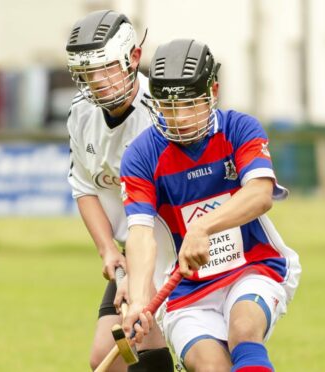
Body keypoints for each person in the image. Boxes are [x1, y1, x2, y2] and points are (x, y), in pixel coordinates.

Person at [119, 39, 302, 372]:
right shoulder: (141, 156)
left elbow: (260, 194)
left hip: (252, 267)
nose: (180, 118)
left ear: (212, 91)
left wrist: (203, 226)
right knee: (210, 367)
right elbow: (141, 234)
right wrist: (139, 301)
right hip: (185, 290)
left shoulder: (239, 129)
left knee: (245, 329)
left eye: (190, 104)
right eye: (168, 107)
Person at [65, 10, 175, 372]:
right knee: (106, 358)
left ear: (134, 58)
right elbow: (84, 186)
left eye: (106, 69)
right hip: (133, 249)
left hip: (177, 247)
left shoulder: (162, 115)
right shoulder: (82, 114)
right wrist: (108, 250)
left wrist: (144, 281)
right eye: (87, 73)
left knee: (148, 347)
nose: (96, 82)